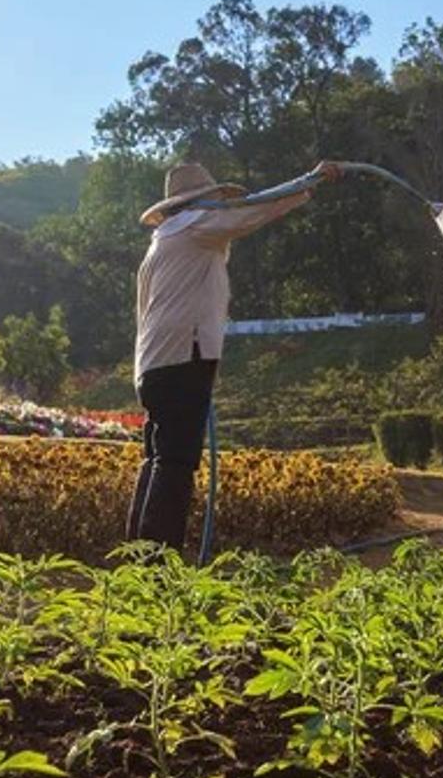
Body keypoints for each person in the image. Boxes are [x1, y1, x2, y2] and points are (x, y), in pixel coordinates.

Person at [127, 160, 343, 551]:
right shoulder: (194, 225)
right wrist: (310, 180)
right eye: (214, 200)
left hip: (154, 366)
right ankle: (156, 569)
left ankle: (137, 559)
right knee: (175, 462)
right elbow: (253, 211)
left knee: (157, 459)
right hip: (181, 359)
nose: (219, 206)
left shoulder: (162, 242)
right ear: (197, 202)